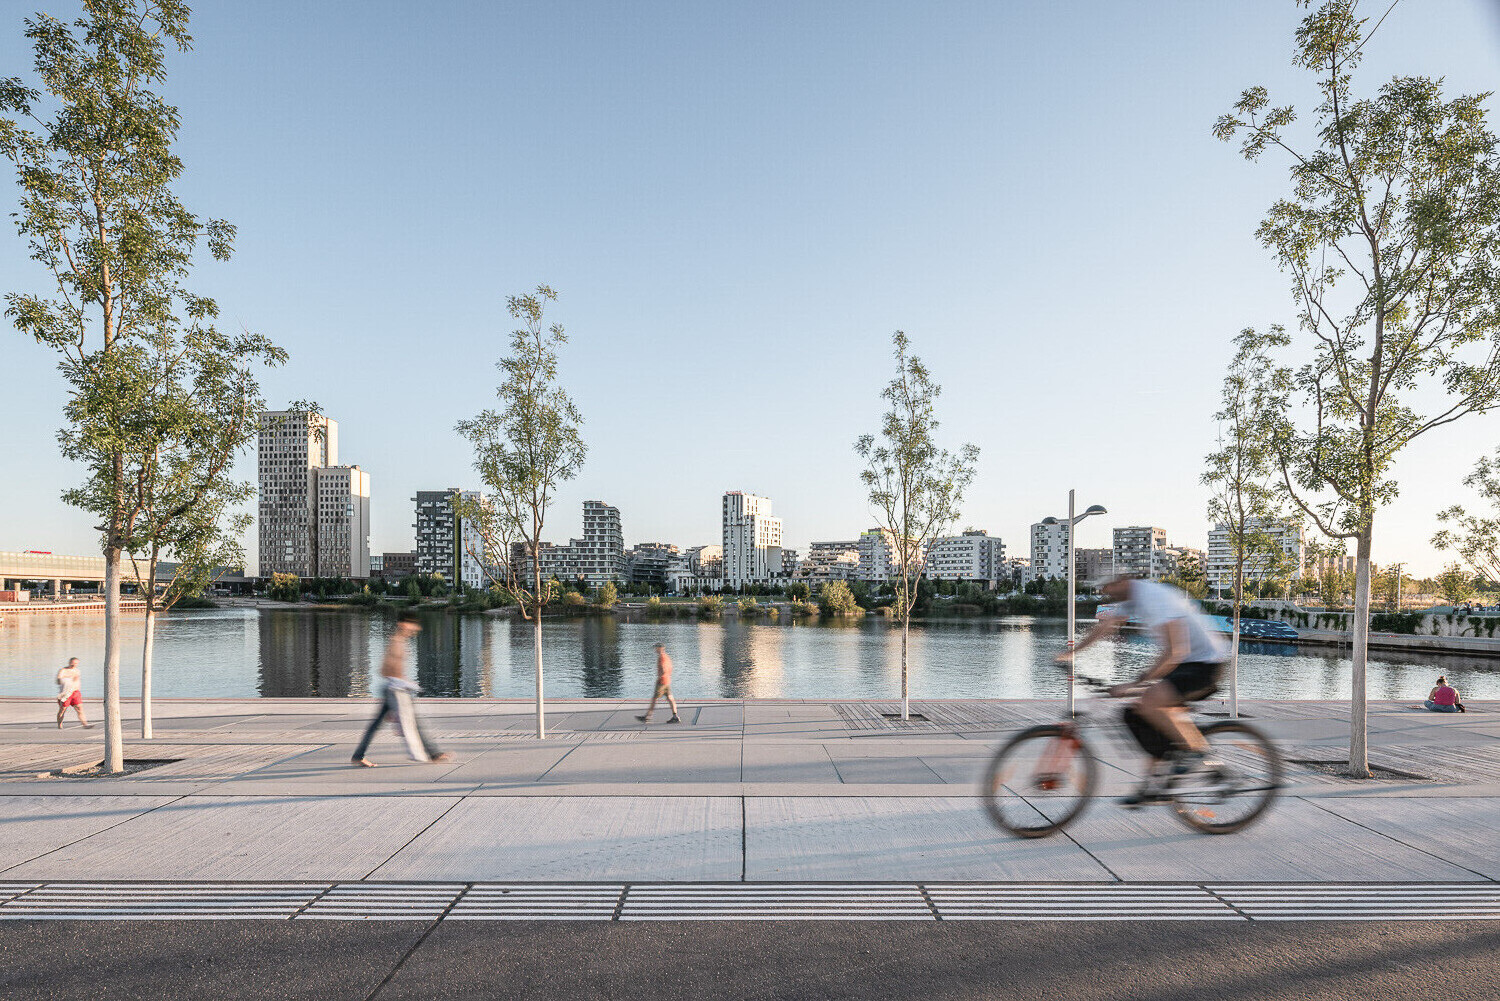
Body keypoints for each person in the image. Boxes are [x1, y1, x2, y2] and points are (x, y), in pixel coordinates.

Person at [1058, 574, 1229, 806]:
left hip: (1206, 664)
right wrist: (1071, 653)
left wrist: (1134, 685)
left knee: (1149, 701)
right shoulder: (1134, 597)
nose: (1104, 591)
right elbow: (1105, 628)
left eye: (1108, 586)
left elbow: (1176, 651)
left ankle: (1196, 752)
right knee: (1137, 715)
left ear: (1123, 580)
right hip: (1186, 664)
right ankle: (1154, 784)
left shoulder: (1153, 597)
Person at [351, 610, 453, 766]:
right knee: (411, 721)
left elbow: (394, 669)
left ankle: (358, 756)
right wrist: (401, 682)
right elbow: (384, 670)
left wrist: (404, 682)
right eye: (412, 624)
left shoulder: (400, 641)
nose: (416, 628)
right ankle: (433, 754)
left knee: (378, 724)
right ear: (402, 624)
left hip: (396, 689)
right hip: (394, 690)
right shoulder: (396, 642)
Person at [636, 642, 681, 724]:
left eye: (656, 648)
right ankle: (675, 716)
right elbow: (670, 668)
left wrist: (660, 677)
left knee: (654, 699)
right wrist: (667, 676)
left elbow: (663, 670)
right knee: (670, 698)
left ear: (660, 648)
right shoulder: (667, 657)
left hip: (661, 682)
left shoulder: (661, 658)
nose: (655, 650)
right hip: (667, 681)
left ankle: (648, 717)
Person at [55, 658, 92, 729]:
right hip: (66, 693)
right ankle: (60, 725)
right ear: (69, 662)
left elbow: (77, 681)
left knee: (80, 708)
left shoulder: (77, 671)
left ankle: (85, 724)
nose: (74, 665)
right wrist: (69, 678)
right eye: (72, 663)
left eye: (76, 663)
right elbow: (58, 681)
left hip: (75, 692)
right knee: (62, 709)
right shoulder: (63, 670)